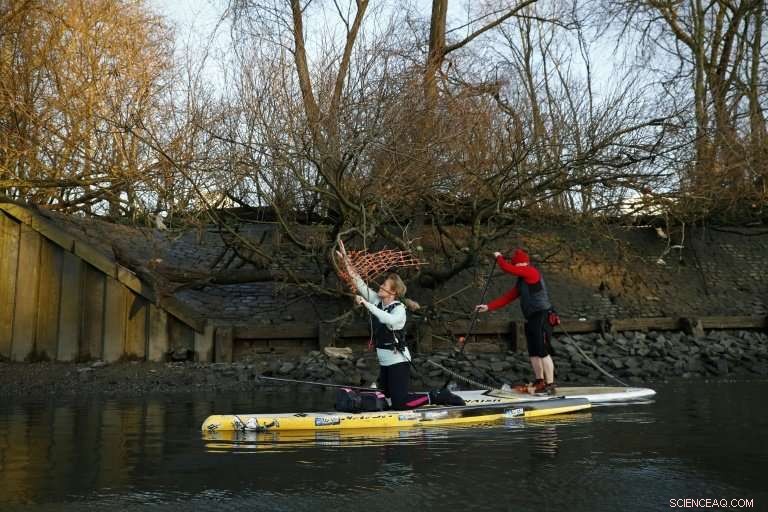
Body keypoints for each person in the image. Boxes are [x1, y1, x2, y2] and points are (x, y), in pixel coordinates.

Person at [336, 245, 430, 410]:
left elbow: (387, 319)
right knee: (386, 398)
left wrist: (365, 303)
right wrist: (346, 262)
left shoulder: (399, 309)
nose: (380, 286)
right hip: (385, 363)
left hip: (398, 362)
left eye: (384, 285)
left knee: (399, 403)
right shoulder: (378, 301)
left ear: (392, 292)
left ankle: (436, 396)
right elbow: (358, 282)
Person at [475, 248, 556, 394]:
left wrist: (499, 257)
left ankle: (550, 384)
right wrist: (488, 307)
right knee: (533, 351)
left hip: (543, 315)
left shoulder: (531, 272)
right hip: (531, 317)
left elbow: (507, 268)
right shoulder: (521, 282)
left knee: (542, 350)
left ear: (521, 263)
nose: (516, 268)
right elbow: (507, 298)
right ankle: (540, 381)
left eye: (516, 265)